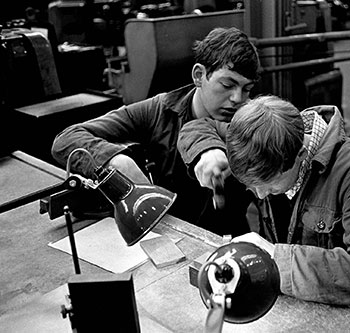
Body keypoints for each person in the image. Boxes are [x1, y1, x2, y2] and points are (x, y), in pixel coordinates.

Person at [177, 95, 350, 306]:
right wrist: (208, 150)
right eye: (252, 185)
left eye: (270, 184)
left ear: (301, 156)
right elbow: (198, 126)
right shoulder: (259, 129)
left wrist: (279, 260)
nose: (260, 195)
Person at [51, 27, 260, 237]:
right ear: (199, 75)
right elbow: (66, 139)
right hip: (164, 236)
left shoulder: (252, 120)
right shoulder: (158, 111)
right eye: (227, 84)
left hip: (229, 242)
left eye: (247, 89)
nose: (237, 98)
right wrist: (114, 161)